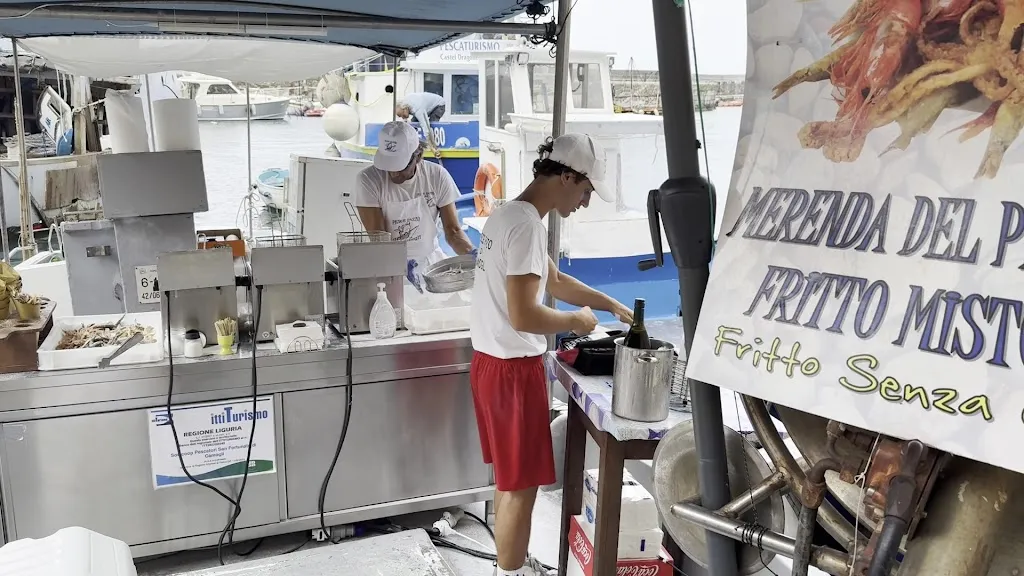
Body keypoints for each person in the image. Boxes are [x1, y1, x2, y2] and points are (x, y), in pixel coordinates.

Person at [469, 133, 633, 576]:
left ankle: (510, 565)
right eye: (586, 190)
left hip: (489, 365)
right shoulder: (527, 226)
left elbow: (554, 281)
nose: (585, 202)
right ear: (566, 177)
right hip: (512, 373)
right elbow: (524, 314)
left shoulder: (508, 214)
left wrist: (607, 303)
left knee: (510, 481)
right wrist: (575, 322)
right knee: (520, 488)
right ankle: (511, 572)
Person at [355, 121, 474, 290]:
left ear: (418, 156)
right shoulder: (368, 180)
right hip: (389, 265)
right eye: (388, 165)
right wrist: (400, 265)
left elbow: (453, 232)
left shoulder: (436, 176)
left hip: (431, 264)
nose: (394, 173)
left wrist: (473, 256)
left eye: (401, 166)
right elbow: (379, 239)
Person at [395, 92, 446, 159]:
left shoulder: (418, 110)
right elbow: (407, 123)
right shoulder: (405, 104)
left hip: (439, 105)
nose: (403, 117)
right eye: (400, 116)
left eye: (402, 115)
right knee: (413, 124)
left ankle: (435, 147)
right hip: (423, 105)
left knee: (430, 124)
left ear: (405, 109)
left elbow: (427, 128)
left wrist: (432, 148)